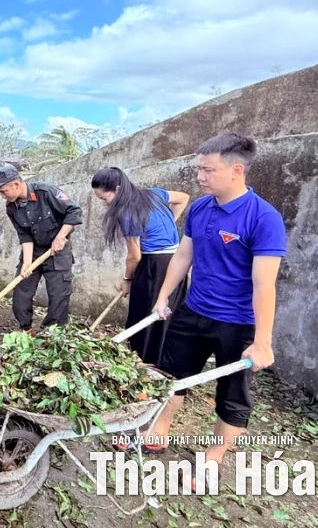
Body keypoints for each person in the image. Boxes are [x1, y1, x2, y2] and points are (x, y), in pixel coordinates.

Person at [142, 134, 286, 492]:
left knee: (232, 394)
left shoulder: (263, 218)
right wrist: (163, 298)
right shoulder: (201, 208)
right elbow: (182, 256)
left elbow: (264, 285)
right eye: (199, 169)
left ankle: (213, 458)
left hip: (237, 324)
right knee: (169, 376)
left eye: (208, 170)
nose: (200, 176)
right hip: (194, 310)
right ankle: (158, 430)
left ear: (237, 170)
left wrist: (263, 342)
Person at [91, 167, 190, 363]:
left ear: (118, 189)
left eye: (104, 198)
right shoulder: (154, 194)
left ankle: (144, 360)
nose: (104, 204)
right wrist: (169, 222)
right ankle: (161, 358)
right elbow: (183, 197)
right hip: (175, 261)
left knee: (147, 312)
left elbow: (134, 257)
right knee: (164, 312)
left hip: (155, 265)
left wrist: (127, 279)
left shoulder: (128, 212)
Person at [0, 166, 83, 333]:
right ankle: (25, 328)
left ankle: (51, 334)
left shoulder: (46, 192)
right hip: (33, 252)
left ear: (17, 184)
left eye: (3, 191)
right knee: (21, 292)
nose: (2, 196)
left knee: (58, 295)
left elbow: (73, 211)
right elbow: (24, 235)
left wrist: (61, 237)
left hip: (58, 252)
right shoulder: (12, 208)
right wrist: (26, 263)